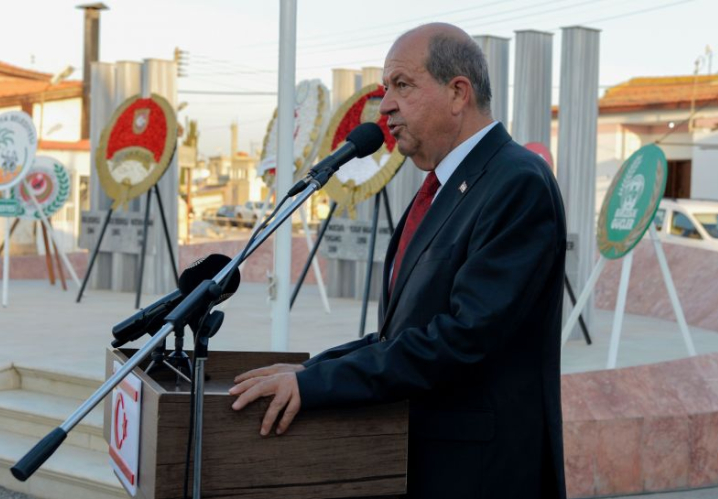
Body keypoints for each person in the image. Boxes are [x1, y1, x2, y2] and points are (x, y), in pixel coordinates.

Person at [230, 22, 567, 499]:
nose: (384, 105)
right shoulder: (440, 189)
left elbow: (461, 338)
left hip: (480, 474)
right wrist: (309, 371)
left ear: (458, 93)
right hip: (422, 461)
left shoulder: (516, 182)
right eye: (385, 88)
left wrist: (321, 384)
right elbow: (402, 335)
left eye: (402, 85)